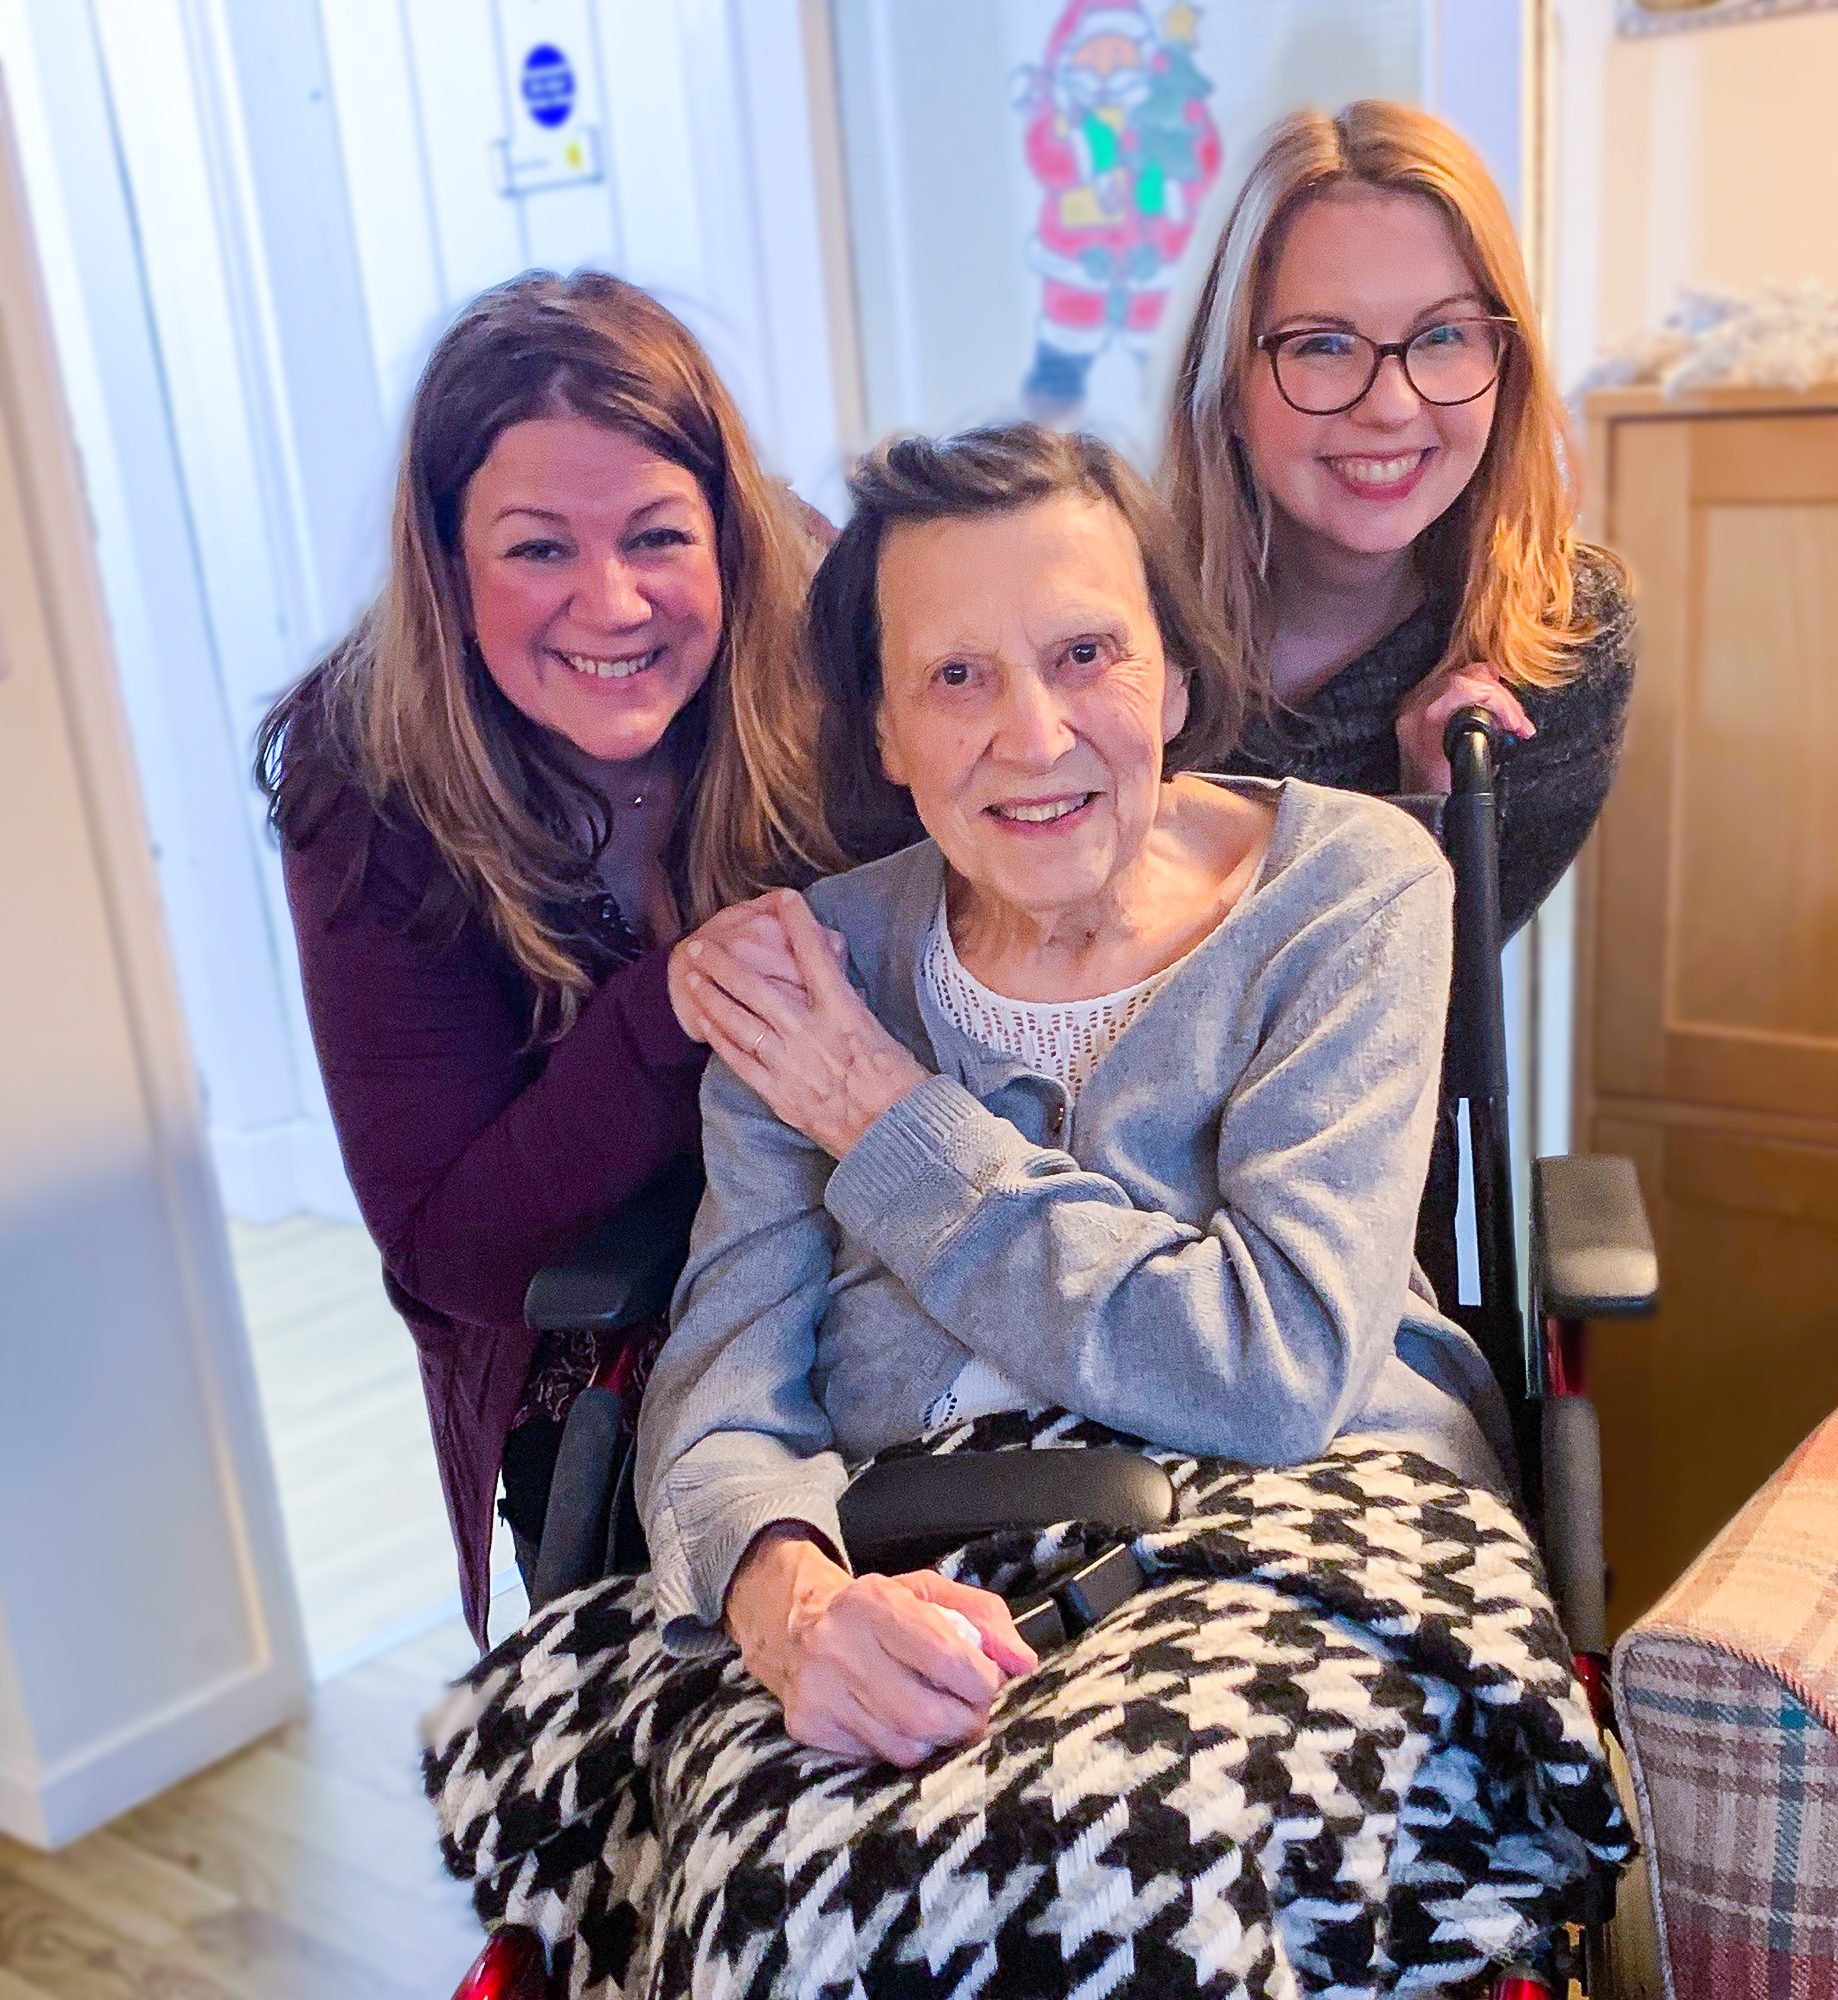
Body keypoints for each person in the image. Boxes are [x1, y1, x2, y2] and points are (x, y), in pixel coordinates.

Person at [642, 423, 1510, 1765]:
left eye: (1084, 655)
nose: (1033, 736)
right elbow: (722, 1396)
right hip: (903, 1558)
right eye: (954, 676)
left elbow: (1269, 1371)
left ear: (1169, 674)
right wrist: (795, 1609)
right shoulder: (812, 968)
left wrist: (881, 1118)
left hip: (1305, 1511)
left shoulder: (1347, 890)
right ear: (882, 728)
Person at [254, 272, 844, 1647]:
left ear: (731, 543)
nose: (611, 601)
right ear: (448, 569)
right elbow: (450, 1254)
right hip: (599, 1359)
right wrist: (668, 1009)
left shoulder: (827, 643)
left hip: (870, 1265)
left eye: (656, 536)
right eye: (536, 550)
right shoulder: (366, 781)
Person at [1162, 99, 1635, 944]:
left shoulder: (1560, 634)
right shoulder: (1114, 628)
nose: (1391, 405)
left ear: (1505, 366)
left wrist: (1431, 815)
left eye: (1444, 335)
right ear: (1228, 384)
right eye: (1322, 344)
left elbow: (1441, 1019)